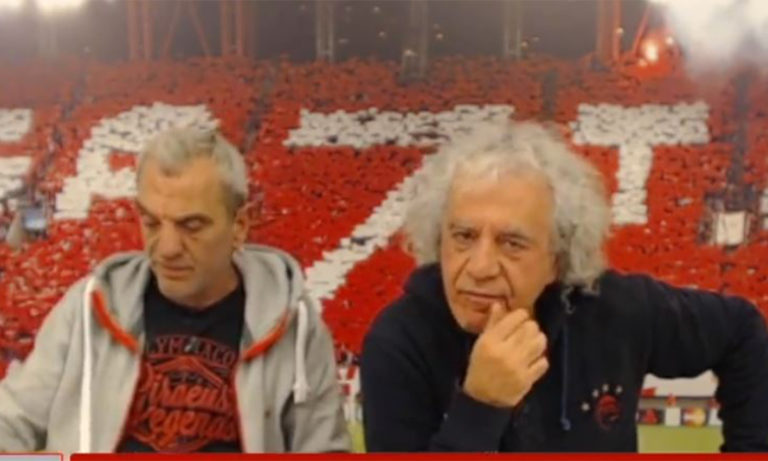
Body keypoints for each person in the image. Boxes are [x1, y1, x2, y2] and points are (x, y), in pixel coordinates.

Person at [361, 121, 768, 452]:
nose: (480, 267)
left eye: (512, 243)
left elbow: (742, 332)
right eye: (463, 236)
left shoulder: (616, 308)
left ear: (557, 260)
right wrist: (481, 407)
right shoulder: (399, 342)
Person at [0, 128, 350, 453]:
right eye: (151, 222)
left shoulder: (294, 326)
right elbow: (10, 421)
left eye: (191, 225)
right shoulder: (88, 308)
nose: (167, 248)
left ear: (240, 225)